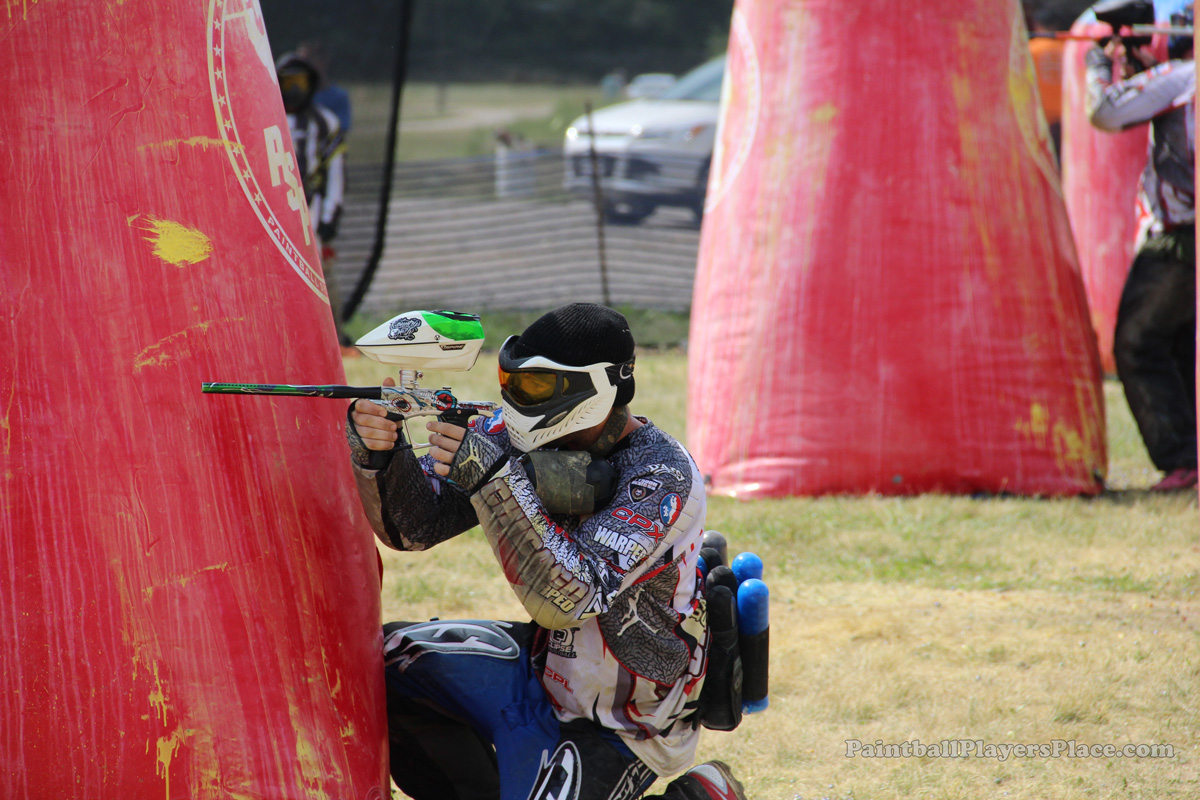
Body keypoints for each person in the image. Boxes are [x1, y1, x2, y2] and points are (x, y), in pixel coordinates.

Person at [345, 303, 751, 799]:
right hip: (540, 668)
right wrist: (382, 453)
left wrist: (493, 479)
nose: (515, 400)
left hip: (624, 721)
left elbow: (569, 600)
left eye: (535, 386)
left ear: (595, 387)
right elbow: (415, 527)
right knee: (383, 665)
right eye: (510, 382)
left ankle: (705, 793)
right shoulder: (508, 435)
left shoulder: (661, 477)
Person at [1086, 2, 1198, 491]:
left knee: (1138, 342)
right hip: (1187, 239)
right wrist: (1140, 68)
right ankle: (1190, 458)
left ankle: (1183, 459)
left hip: (1176, 241)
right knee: (1177, 345)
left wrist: (1097, 62)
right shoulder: (1179, 79)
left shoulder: (1184, 77)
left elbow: (1105, 112)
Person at [276, 51, 351, 347]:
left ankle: (334, 340)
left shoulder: (325, 123)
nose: (294, 90)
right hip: (272, 212)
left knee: (323, 276)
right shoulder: (259, 117)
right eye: (288, 82)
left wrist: (330, 217)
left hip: (312, 212)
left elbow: (336, 173)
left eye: (300, 82)